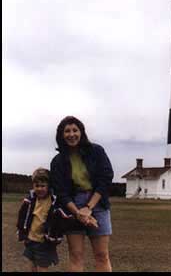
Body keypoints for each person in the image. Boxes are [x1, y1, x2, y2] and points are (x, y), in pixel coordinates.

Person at [50, 116, 114, 272]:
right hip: (72, 207)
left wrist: (88, 208)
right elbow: (61, 192)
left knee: (101, 255)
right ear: (61, 135)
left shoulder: (96, 151)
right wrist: (79, 213)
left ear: (81, 132)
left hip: (97, 203)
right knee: (76, 255)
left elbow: (106, 178)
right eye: (67, 131)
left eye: (75, 130)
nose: (71, 134)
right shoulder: (57, 161)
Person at [16, 168, 63, 272]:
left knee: (42, 268)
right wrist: (21, 231)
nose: (39, 189)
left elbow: (59, 221)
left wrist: (54, 236)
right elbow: (22, 217)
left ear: (48, 186)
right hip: (30, 240)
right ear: (33, 186)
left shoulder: (53, 201)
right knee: (32, 267)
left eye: (43, 186)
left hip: (44, 242)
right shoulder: (30, 200)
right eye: (37, 186)